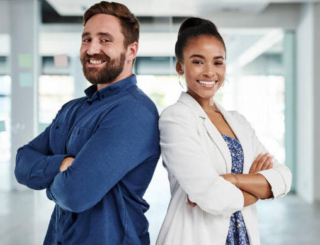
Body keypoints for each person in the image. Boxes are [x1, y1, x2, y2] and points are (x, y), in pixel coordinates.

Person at [14, 1, 160, 244]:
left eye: (105, 40)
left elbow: (75, 193)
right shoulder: (72, 109)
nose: (92, 49)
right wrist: (63, 164)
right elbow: (21, 162)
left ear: (131, 50)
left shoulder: (134, 111)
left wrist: (47, 178)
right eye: (86, 39)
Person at [156, 17, 292, 245]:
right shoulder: (175, 118)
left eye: (218, 62)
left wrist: (232, 180)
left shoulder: (238, 122)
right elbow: (211, 196)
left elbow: (283, 178)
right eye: (198, 62)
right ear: (180, 66)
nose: (210, 72)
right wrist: (259, 187)